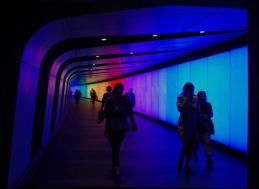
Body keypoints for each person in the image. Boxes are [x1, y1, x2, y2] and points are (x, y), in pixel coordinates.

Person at [104, 83, 131, 177]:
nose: (120, 92)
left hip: (117, 127)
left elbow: (129, 113)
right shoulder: (114, 101)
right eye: (119, 90)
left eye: (120, 90)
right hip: (117, 127)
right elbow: (130, 113)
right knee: (116, 147)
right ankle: (115, 164)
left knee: (116, 147)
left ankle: (116, 165)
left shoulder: (112, 100)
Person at [177, 82, 200, 176]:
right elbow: (179, 108)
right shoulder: (180, 97)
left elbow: (198, 110)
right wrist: (187, 102)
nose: (191, 92)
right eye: (189, 90)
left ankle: (186, 165)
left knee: (189, 145)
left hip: (192, 123)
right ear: (185, 90)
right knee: (186, 144)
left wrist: (195, 108)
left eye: (192, 90)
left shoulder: (195, 97)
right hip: (183, 124)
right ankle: (182, 161)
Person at [193, 91, 214, 166]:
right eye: (201, 96)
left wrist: (207, 115)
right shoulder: (196, 105)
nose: (203, 97)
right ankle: (195, 153)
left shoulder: (208, 104)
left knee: (207, 142)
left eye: (204, 96)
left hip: (205, 126)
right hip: (197, 126)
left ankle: (209, 158)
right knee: (196, 142)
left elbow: (211, 113)